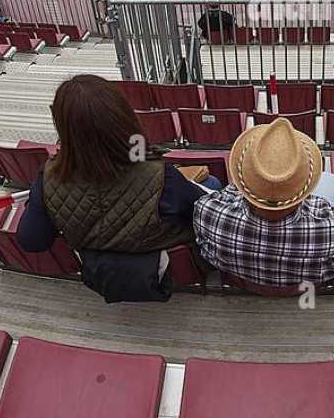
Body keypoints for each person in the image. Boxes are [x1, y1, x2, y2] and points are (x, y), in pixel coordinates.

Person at [16, 75, 219, 302]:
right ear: (123, 119)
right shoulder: (161, 177)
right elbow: (204, 212)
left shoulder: (48, 179)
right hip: (157, 258)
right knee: (212, 184)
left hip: (99, 262)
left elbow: (31, 241)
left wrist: (39, 198)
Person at [192, 117, 334, 288]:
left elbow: (207, 253)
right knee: (330, 180)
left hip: (243, 282)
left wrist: (253, 186)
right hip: (303, 290)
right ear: (304, 188)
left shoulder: (206, 211)